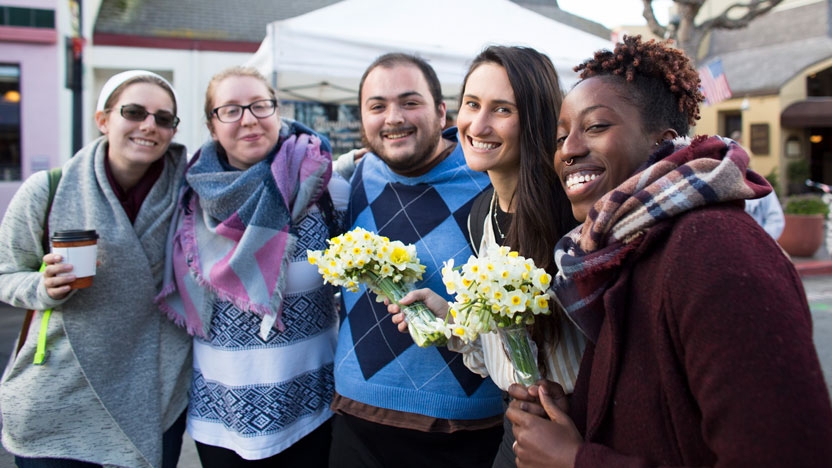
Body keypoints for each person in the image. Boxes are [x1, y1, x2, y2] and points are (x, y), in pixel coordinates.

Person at [506, 35, 832, 467]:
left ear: (664, 141)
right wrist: (578, 419)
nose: (569, 149)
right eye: (562, 135)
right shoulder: (624, 253)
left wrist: (576, 460)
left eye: (597, 126)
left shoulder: (715, 249)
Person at [387, 46, 583, 468]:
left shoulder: (573, 214)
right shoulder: (482, 214)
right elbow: (504, 343)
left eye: (501, 110)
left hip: (583, 430)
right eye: (472, 104)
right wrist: (451, 318)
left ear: (535, 119)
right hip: (518, 427)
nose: (477, 124)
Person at [155, 66, 348, 467]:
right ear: (212, 125)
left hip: (311, 410)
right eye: (230, 110)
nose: (248, 119)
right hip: (220, 416)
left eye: (260, 105)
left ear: (277, 112)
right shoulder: (188, 195)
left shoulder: (327, 188)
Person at [0, 70, 191, 467]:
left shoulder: (189, 190)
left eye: (163, 118)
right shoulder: (47, 189)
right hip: (59, 396)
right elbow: (6, 272)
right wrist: (42, 287)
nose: (148, 126)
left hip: (150, 394)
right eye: (134, 111)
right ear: (103, 120)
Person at [329, 53, 503, 468]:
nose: (393, 118)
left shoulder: (492, 178)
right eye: (377, 106)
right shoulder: (353, 177)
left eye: (410, 102)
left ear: (442, 111)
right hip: (356, 414)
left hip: (464, 426)